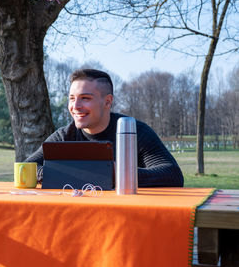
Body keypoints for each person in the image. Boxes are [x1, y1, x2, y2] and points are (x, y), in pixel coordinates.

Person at [25, 68, 184, 187]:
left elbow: (172, 175)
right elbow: (27, 167)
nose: (75, 106)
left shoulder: (134, 131)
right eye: (72, 98)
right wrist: (87, 173)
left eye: (85, 98)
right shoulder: (64, 136)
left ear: (108, 102)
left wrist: (118, 173)